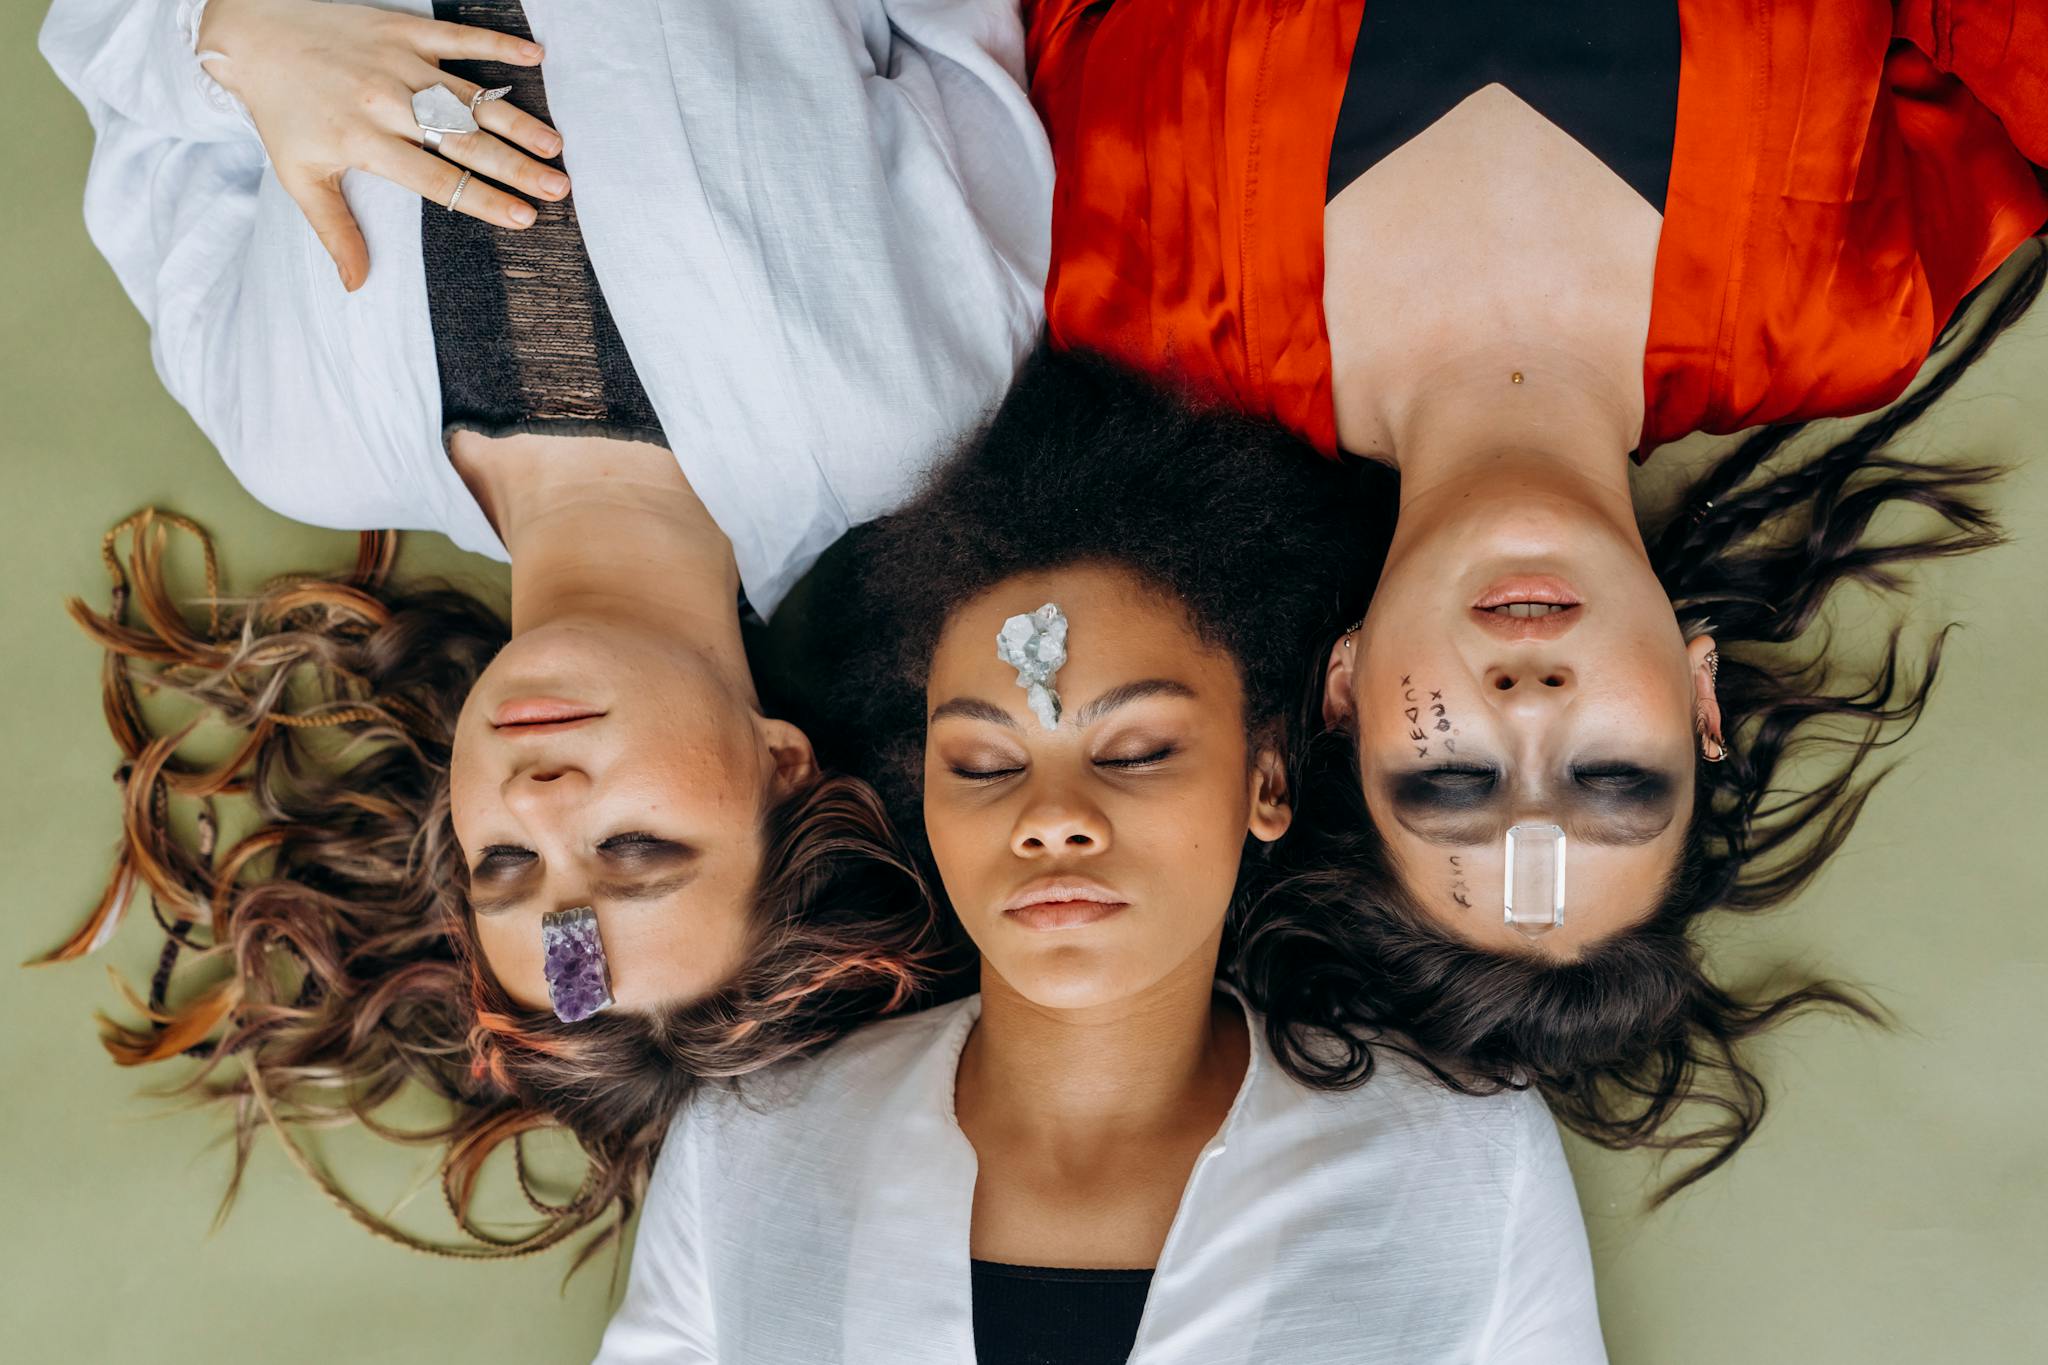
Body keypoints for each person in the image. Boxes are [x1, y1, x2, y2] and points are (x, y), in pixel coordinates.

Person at [39, 0, 1049, 1256]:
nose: (546, 798)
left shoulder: (296, 432)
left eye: (508, 867)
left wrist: (229, 39)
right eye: (634, 846)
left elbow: (106, 52)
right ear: (782, 768)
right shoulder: (899, 406)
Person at [1021, 0, 2048, 1190]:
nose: (1527, 701)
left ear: (1342, 690)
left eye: (1450, 778)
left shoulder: (1138, 307)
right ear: (1698, 700)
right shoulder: (1845, 308)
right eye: (1610, 775)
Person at [596, 346, 1605, 1365]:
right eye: (984, 762)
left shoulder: (1462, 1168)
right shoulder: (749, 1150)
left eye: (1133, 751)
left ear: (1264, 780)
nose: (1051, 817)